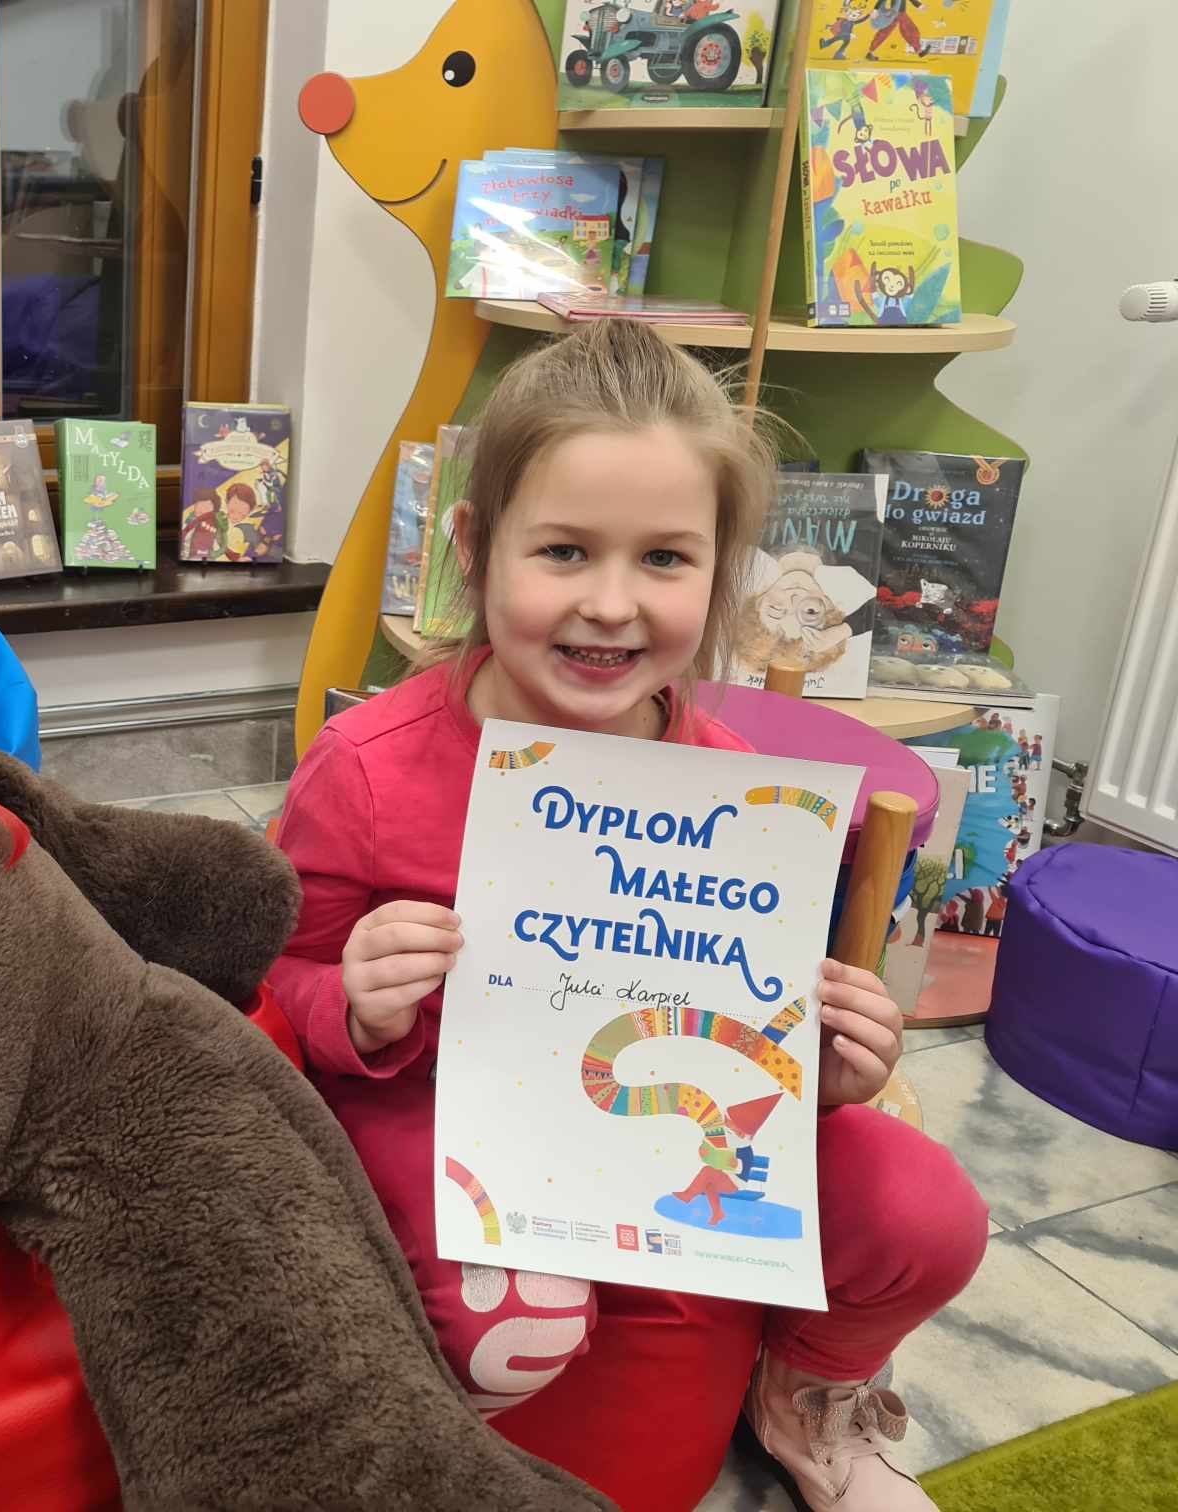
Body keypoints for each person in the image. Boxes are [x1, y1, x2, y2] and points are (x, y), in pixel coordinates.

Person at [270, 321, 986, 1512]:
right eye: (563, 551)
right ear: (474, 549)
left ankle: (804, 1392)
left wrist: (824, 1064)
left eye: (664, 558)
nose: (610, 604)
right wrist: (349, 999)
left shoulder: (732, 784)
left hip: (663, 1132)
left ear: (720, 575)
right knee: (514, 1330)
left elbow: (749, 1015)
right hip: (447, 1119)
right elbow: (263, 978)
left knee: (928, 1214)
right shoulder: (366, 770)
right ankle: (414, 1437)